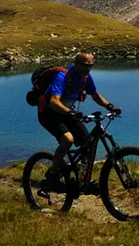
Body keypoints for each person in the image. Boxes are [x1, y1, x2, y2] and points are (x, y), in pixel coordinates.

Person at [38, 51, 121, 195]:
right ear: (75, 63)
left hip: (67, 113)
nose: (87, 68)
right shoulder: (63, 76)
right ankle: (52, 174)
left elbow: (95, 95)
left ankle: (84, 181)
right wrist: (70, 112)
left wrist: (109, 106)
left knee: (87, 144)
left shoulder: (86, 77)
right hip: (48, 113)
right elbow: (53, 101)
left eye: (90, 65)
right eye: (84, 65)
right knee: (68, 139)